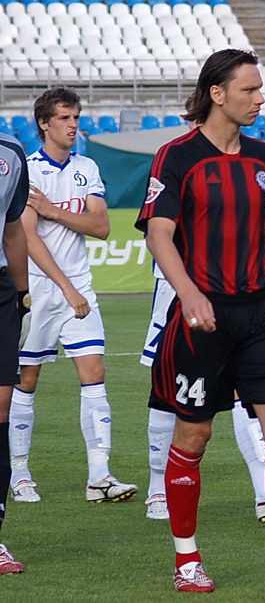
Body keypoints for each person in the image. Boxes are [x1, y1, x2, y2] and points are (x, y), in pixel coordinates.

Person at [135, 48, 265, 595]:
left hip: (262, 317)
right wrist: (189, 294)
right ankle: (186, 559)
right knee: (194, 438)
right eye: (249, 90)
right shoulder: (176, 157)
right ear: (217, 94)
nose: (260, 99)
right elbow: (158, 234)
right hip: (203, 322)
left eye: (260, 88)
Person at [9, 87, 137, 505]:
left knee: (94, 372)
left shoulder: (86, 167)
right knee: (26, 381)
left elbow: (101, 227)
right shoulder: (26, 170)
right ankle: (20, 472)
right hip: (38, 290)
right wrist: (64, 286)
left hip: (78, 286)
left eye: (76, 117)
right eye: (64, 118)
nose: (73, 125)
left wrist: (54, 211)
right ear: (44, 123)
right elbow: (27, 238)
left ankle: (99, 475)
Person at [141, 267, 265, 522]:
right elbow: (158, 234)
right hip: (184, 285)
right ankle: (158, 491)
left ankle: (264, 490)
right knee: (171, 386)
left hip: (246, 290)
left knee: (247, 386)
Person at [0, 132, 30, 574]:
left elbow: (11, 227)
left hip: (0, 290)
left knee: (0, 413)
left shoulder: (10, 153)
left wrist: (22, 299)